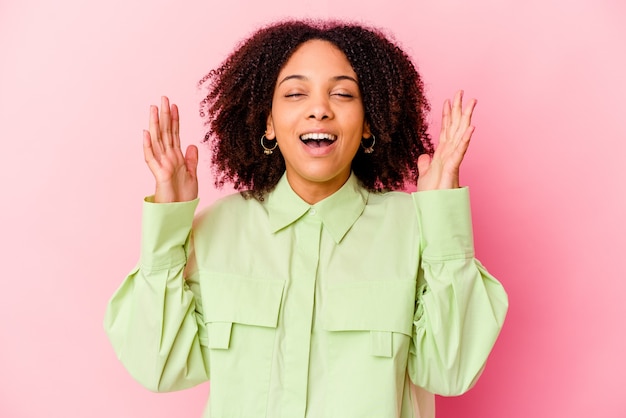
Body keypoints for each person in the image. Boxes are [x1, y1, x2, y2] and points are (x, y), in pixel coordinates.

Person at [104, 20, 508, 418]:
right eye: (296, 93)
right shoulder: (217, 228)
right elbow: (159, 366)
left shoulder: (419, 229)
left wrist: (443, 218)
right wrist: (166, 231)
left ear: (368, 123)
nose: (319, 109)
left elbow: (450, 372)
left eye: (342, 94)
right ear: (268, 122)